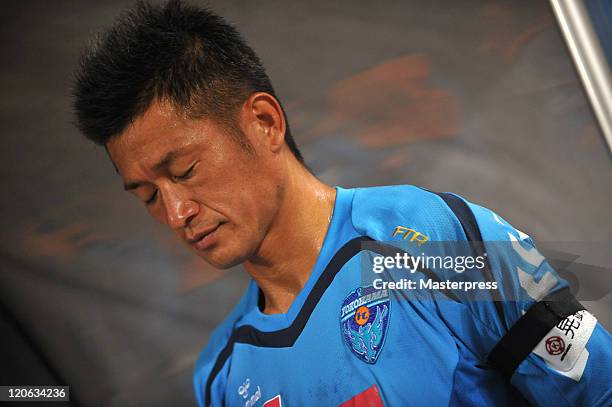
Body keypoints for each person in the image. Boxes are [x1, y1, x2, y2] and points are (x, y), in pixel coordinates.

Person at [73, 1, 611, 406]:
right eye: (147, 195)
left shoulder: (436, 238)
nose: (175, 213)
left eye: (185, 171)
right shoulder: (220, 376)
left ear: (264, 123)